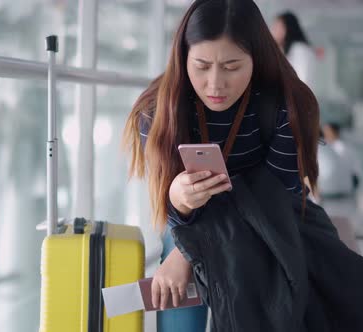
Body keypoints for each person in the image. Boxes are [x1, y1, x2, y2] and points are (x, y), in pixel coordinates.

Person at [123, 1, 319, 330]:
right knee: (174, 283)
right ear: (182, 56)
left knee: (236, 275)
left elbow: (279, 205)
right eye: (201, 65)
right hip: (190, 224)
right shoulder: (159, 110)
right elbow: (168, 208)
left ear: (257, 59)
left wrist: (189, 251)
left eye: (231, 67)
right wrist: (178, 198)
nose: (215, 84)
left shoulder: (284, 105)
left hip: (267, 228)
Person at [271, 11, 318, 92]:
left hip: (297, 100)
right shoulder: (284, 50)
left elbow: (302, 80)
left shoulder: (300, 49)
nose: (272, 31)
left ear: (288, 28)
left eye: (277, 27)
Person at [322, 122, 361, 190]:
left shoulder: (344, 148)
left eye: (328, 132)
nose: (326, 134)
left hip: (341, 185)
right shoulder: (323, 147)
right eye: (324, 132)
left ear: (335, 132)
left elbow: (354, 170)